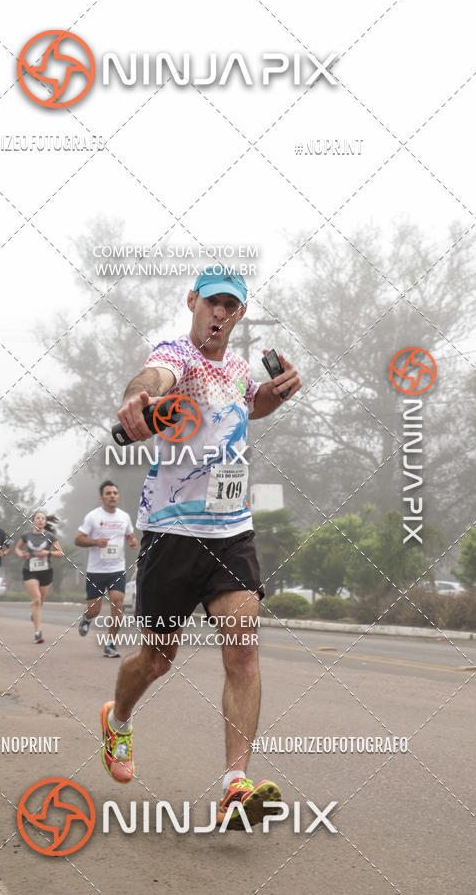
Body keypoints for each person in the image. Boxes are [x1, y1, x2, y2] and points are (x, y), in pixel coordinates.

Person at [100, 265, 301, 829]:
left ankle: (235, 785)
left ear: (240, 314)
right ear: (192, 301)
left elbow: (250, 404)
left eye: (231, 307)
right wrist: (137, 400)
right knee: (157, 660)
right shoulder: (177, 354)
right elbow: (150, 380)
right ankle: (117, 722)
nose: (220, 314)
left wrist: (277, 392)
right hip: (171, 534)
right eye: (212, 303)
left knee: (243, 649)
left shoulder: (237, 370)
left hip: (231, 532)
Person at [74, 481, 138, 658]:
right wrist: (95, 542)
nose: (112, 496)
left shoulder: (124, 516)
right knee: (94, 610)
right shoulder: (92, 517)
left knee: (118, 604)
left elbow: (130, 535)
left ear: (118, 496)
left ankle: (110, 643)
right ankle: (87, 618)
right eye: (108, 493)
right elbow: (78, 539)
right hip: (96, 571)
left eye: (115, 493)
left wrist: (132, 541)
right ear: (102, 498)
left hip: (117, 569)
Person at [15, 511, 63, 644]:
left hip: (46, 572)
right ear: (33, 521)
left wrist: (47, 552)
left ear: (45, 522)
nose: (41, 520)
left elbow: (60, 553)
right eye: (38, 518)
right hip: (30, 571)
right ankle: (37, 633)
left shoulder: (49, 536)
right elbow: (17, 548)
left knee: (40, 602)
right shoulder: (26, 535)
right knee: (36, 600)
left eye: (43, 518)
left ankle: (34, 613)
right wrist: (21, 554)